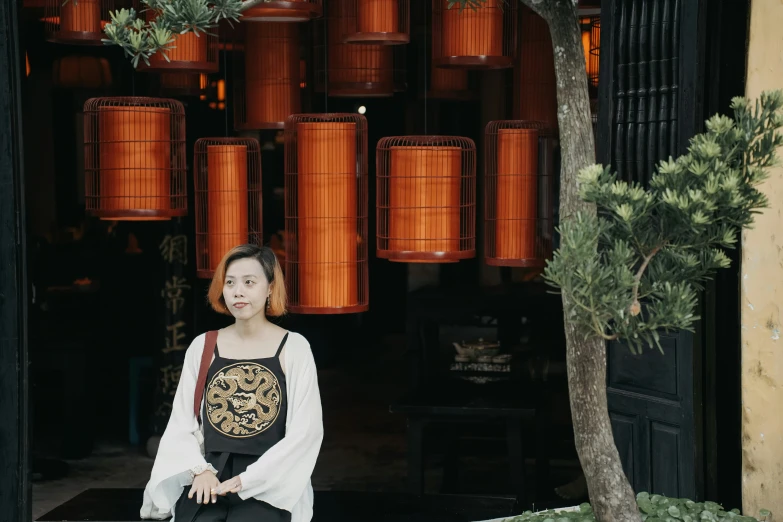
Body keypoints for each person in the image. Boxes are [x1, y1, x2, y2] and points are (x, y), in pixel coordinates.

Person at [141, 244, 324, 522]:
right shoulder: (203, 345)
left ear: (270, 288)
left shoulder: (294, 347)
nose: (238, 291)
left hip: (270, 479)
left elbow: (306, 431)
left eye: (249, 282)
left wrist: (248, 480)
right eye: (229, 282)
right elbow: (181, 421)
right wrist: (198, 470)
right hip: (209, 474)